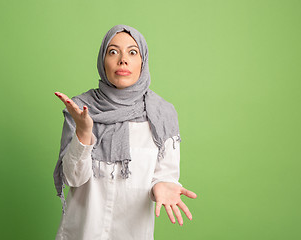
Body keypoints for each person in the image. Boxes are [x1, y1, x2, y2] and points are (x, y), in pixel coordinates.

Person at [53, 25, 197, 240]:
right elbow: (73, 179)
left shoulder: (162, 115)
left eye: (132, 52)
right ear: (103, 61)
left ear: (143, 61)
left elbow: (165, 174)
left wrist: (161, 185)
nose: (123, 60)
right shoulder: (81, 109)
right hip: (82, 233)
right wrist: (84, 133)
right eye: (113, 52)